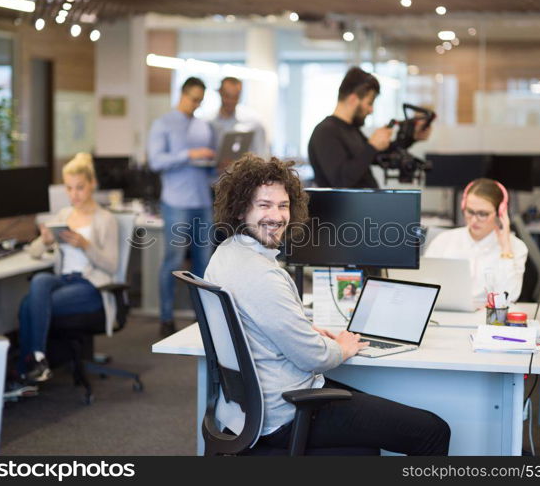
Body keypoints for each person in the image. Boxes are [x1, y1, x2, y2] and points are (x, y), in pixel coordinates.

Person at [204, 155, 450, 455]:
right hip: (287, 410)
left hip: (246, 411)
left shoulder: (224, 255)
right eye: (264, 205)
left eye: (283, 206)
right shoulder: (263, 275)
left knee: (373, 424)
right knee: (433, 431)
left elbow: (259, 323)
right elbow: (314, 358)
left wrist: (304, 328)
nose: (278, 216)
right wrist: (342, 347)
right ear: (241, 210)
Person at [18, 152, 118, 383]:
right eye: (69, 188)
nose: (74, 194)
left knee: (29, 305)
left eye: (80, 188)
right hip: (64, 281)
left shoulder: (105, 219)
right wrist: (44, 240)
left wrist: (86, 245)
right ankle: (38, 359)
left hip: (90, 286)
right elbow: (33, 253)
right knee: (40, 281)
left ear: (92, 184)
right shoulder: (64, 215)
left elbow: (111, 265)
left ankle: (29, 366)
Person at [148, 76, 217, 336]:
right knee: (173, 261)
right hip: (176, 202)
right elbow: (156, 162)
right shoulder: (163, 124)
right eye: (193, 99)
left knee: (204, 264)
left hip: (202, 201)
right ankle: (166, 317)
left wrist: (216, 165)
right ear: (183, 94)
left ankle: (203, 319)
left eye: (200, 100)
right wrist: (189, 155)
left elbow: (209, 170)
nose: (196, 105)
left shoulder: (204, 127)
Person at [308, 66, 431, 188]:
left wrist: (411, 138)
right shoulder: (326, 132)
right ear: (353, 99)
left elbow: (379, 156)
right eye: (369, 103)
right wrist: (372, 146)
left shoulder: (351, 130)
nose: (371, 110)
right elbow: (341, 180)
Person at [425, 178, 528, 304]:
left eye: (483, 214)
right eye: (470, 211)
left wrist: (505, 248)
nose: (474, 220)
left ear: (500, 213)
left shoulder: (516, 247)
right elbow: (425, 288)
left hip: (489, 318)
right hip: (446, 315)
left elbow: (509, 296)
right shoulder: (443, 241)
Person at [209, 76, 268, 159]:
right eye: (227, 96)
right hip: (217, 171)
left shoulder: (253, 122)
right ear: (220, 93)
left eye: (235, 97)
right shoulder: (209, 122)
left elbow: (262, 155)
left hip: (245, 171)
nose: (230, 101)